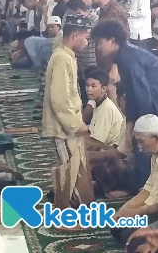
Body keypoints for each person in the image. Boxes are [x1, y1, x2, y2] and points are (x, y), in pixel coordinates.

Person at [91, 20, 158, 192]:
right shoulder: (125, 56)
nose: (97, 47)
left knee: (144, 144)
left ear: (112, 41)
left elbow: (141, 98)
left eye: (99, 42)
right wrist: (129, 128)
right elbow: (134, 97)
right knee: (139, 142)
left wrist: (135, 130)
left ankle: (141, 191)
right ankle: (140, 188)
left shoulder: (129, 59)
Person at [42, 14, 94, 218]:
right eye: (85, 37)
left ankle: (74, 207)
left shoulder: (66, 55)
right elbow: (60, 99)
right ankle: (64, 210)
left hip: (69, 123)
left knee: (74, 166)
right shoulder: (62, 58)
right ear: (75, 35)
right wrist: (75, 124)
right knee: (68, 169)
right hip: (64, 127)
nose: (86, 41)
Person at [111, 115, 158, 244]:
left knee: (129, 237)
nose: (139, 147)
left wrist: (136, 212)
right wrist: (123, 211)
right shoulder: (155, 155)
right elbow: (148, 189)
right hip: (153, 211)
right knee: (117, 228)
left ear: (156, 138)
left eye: (142, 141)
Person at [83, 68, 124, 150]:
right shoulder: (97, 104)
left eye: (93, 86)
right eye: (87, 85)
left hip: (111, 151)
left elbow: (97, 143)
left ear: (104, 89)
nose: (89, 89)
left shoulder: (106, 108)